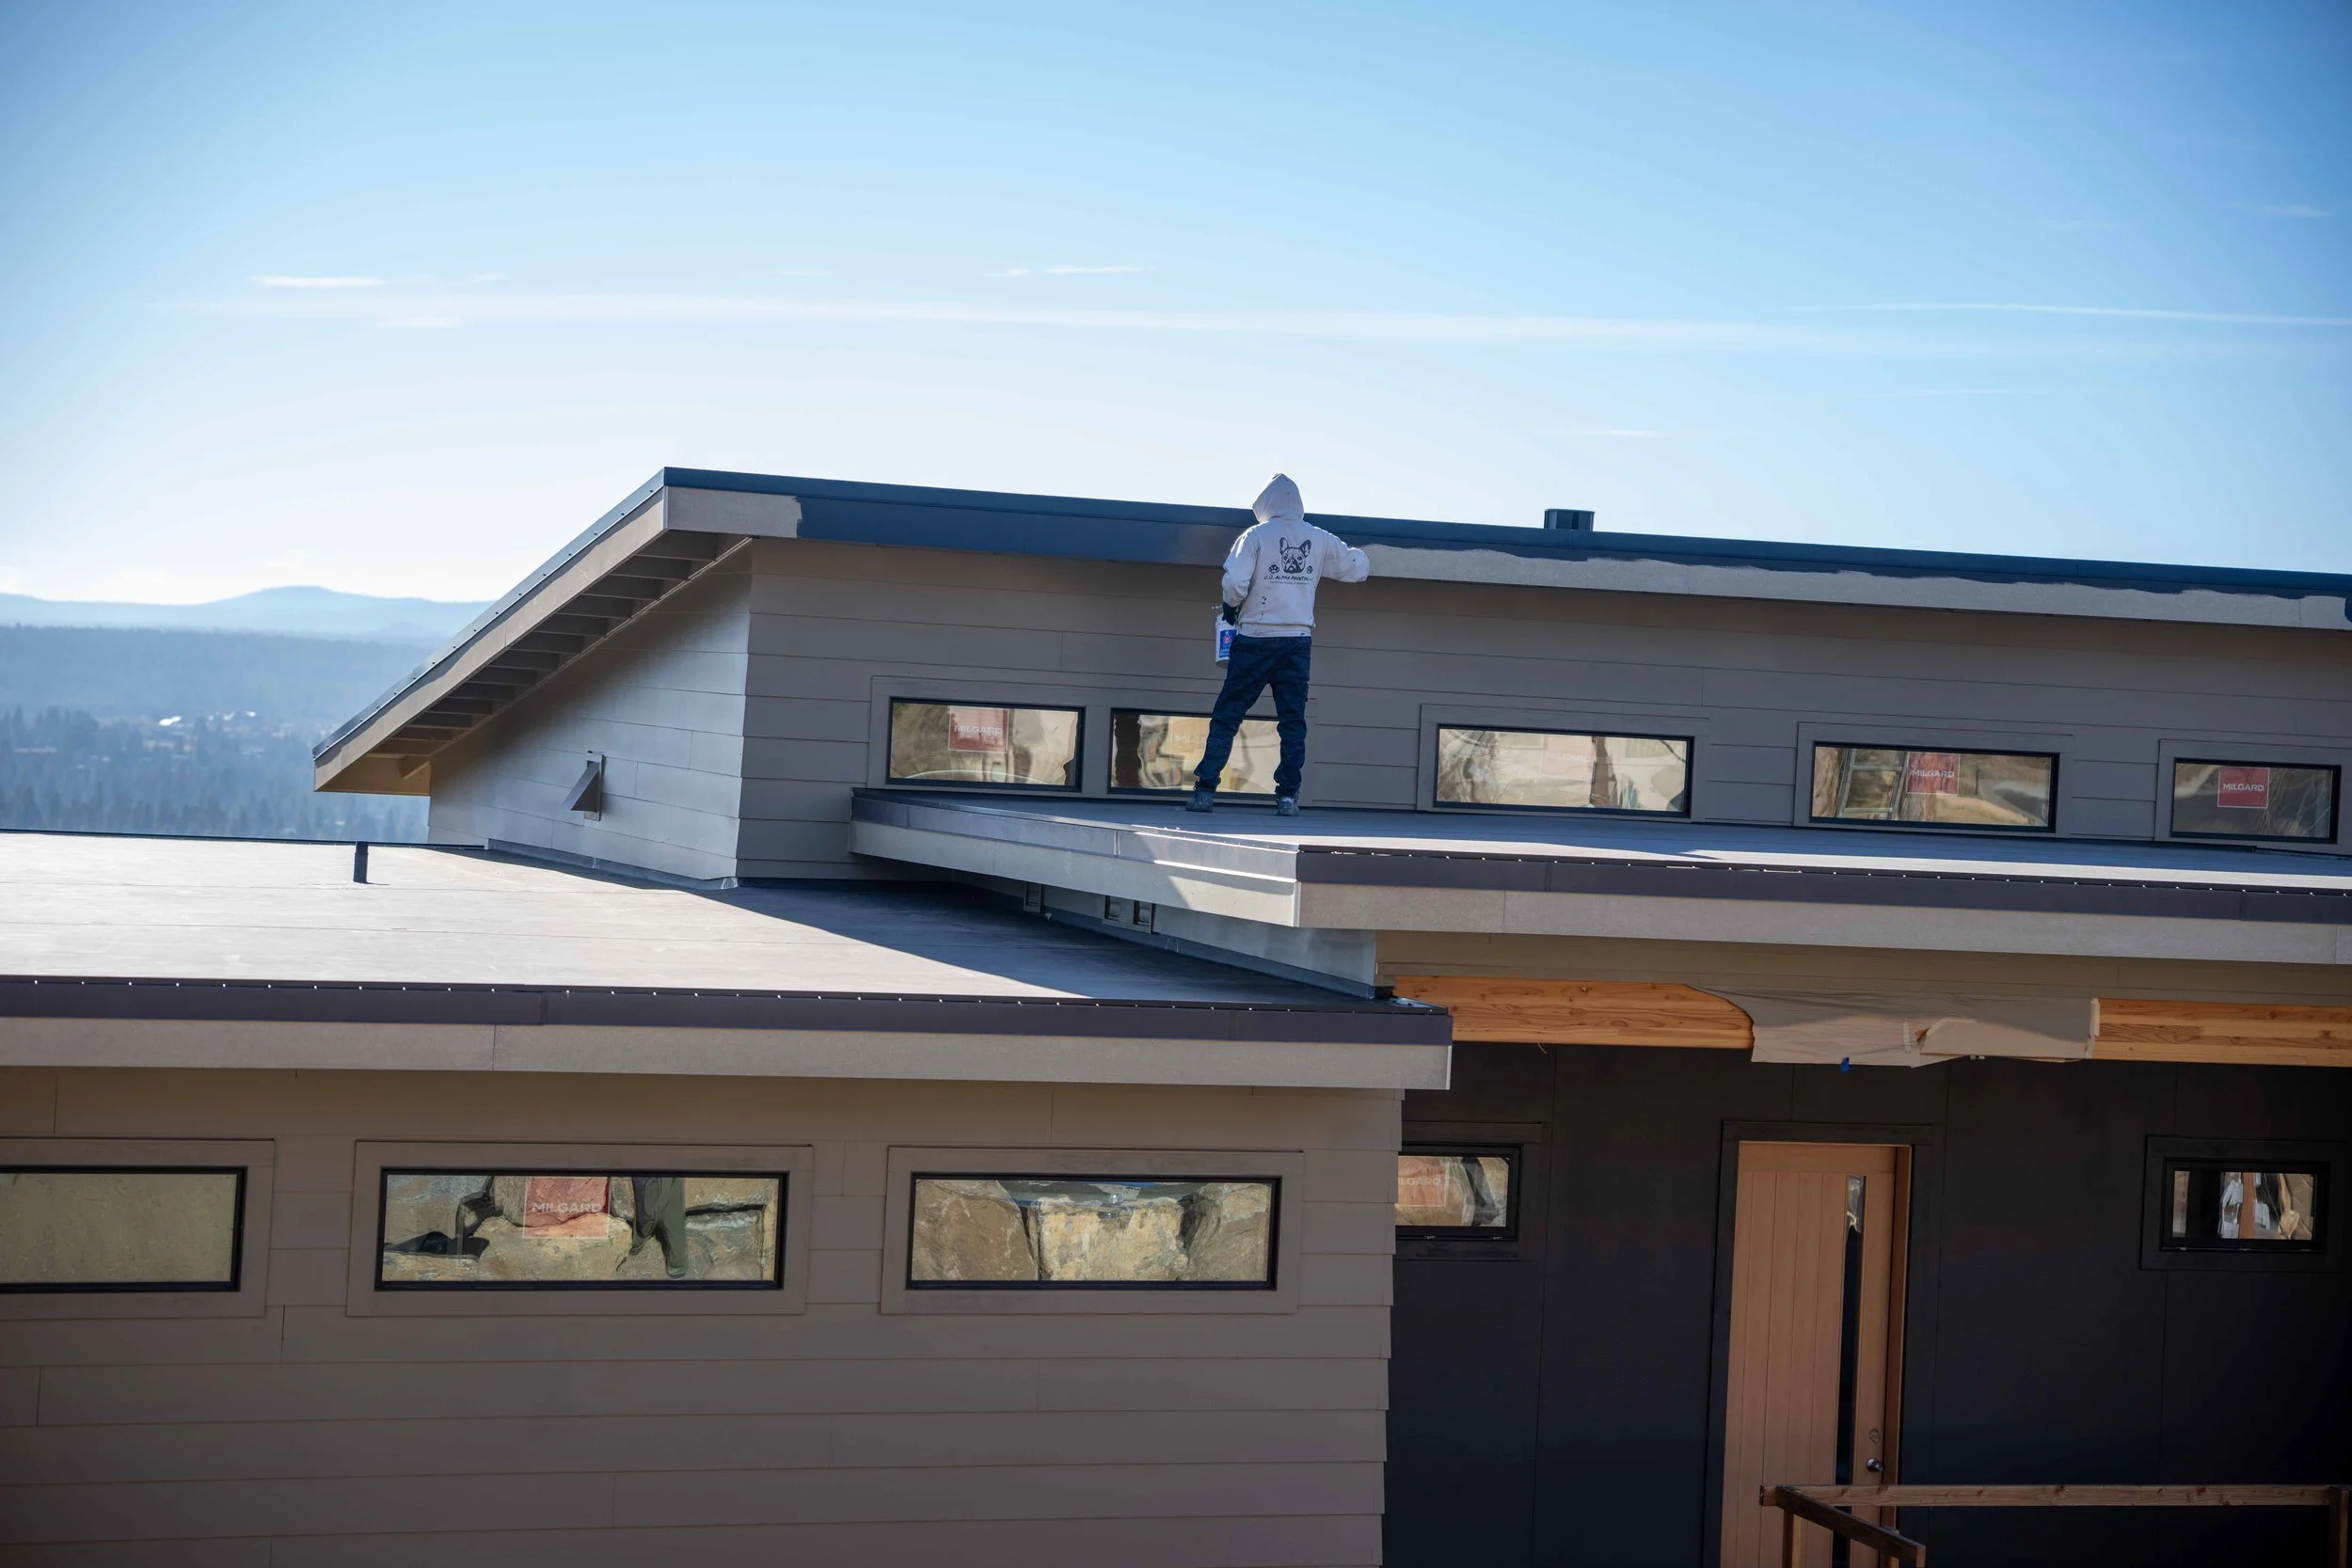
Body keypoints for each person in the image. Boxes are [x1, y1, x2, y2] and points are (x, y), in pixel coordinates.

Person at [1189, 474, 1370, 816]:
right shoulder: (1318, 538)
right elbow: (1357, 568)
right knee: (1292, 722)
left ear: (1264, 504)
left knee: (1228, 715)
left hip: (1255, 638)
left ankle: (1205, 791)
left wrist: (1231, 607)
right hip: (1297, 643)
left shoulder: (1255, 536)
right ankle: (1287, 796)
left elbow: (1236, 583)